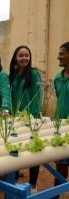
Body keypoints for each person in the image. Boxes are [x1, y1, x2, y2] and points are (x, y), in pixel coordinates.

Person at [9, 46, 42, 192]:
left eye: (26, 56)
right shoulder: (14, 75)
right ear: (15, 57)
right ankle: (14, 180)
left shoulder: (34, 74)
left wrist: (33, 118)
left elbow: (37, 97)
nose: (24, 58)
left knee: (34, 152)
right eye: (21, 55)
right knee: (15, 149)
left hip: (30, 119)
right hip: (15, 119)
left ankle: (33, 185)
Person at [52, 41, 69, 199]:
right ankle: (57, 191)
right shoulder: (58, 77)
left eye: (62, 53)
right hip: (60, 125)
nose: (58, 57)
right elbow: (60, 98)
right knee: (60, 162)